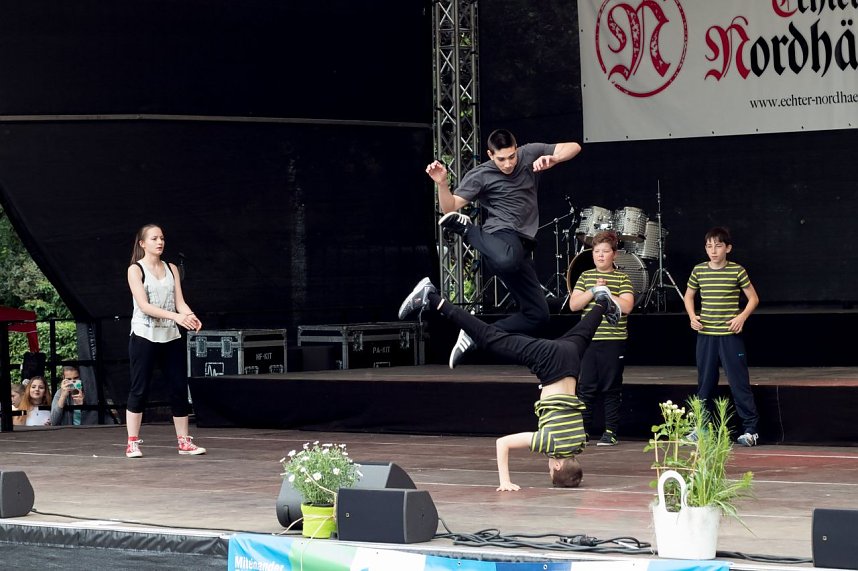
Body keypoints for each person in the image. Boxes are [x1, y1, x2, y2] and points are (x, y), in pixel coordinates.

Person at [398, 276, 621, 491]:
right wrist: (505, 481)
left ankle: (602, 301)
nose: (548, 467)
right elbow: (502, 443)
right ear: (557, 465)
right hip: (549, 364)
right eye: (550, 471)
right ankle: (432, 297)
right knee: (489, 336)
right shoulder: (549, 444)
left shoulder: (579, 443)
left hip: (570, 360)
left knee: (585, 331)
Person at [426, 129, 582, 367]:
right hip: (499, 237)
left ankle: (476, 332)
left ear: (517, 149)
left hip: (521, 247)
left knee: (537, 316)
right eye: (501, 159)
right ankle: (467, 230)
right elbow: (450, 207)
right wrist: (443, 184)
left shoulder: (529, 154)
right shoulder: (481, 175)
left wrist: (553, 158)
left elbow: (573, 146)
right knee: (507, 259)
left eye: (512, 157)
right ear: (490, 155)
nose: (508, 164)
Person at [126, 223, 206, 458]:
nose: (159, 242)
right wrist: (177, 317)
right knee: (139, 389)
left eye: (161, 238)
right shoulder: (135, 270)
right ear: (142, 243)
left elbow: (179, 301)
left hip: (170, 336)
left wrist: (190, 316)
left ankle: (184, 441)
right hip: (144, 335)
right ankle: (132, 442)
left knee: (179, 388)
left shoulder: (171, 268)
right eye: (153, 238)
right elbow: (144, 305)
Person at [683, 227, 760, 447]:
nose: (713, 250)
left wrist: (741, 317)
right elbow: (689, 296)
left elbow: (753, 298)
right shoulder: (699, 270)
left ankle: (750, 430)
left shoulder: (737, 271)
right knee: (705, 383)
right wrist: (692, 316)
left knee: (739, 383)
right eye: (709, 246)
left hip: (729, 335)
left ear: (728, 248)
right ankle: (701, 427)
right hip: (706, 335)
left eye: (718, 246)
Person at [568, 231, 635, 446]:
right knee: (585, 386)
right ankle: (584, 431)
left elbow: (627, 306)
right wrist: (593, 290)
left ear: (614, 254)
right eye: (597, 251)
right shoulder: (585, 276)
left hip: (613, 340)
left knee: (611, 386)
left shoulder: (623, 277)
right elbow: (574, 304)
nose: (600, 255)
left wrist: (607, 292)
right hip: (588, 340)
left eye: (605, 251)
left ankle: (610, 432)